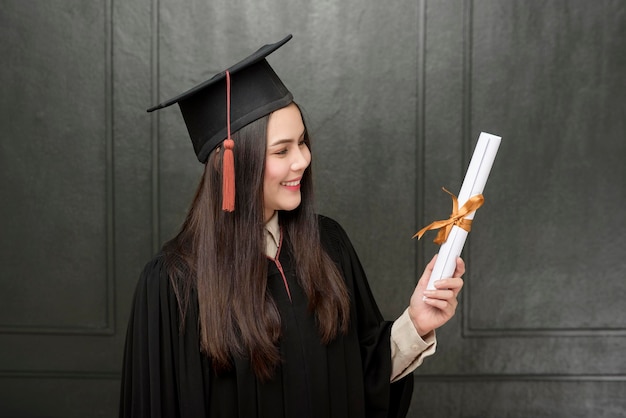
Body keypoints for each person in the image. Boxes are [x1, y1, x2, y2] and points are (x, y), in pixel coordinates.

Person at [119, 34, 464, 418]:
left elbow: (360, 381)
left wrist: (416, 322)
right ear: (231, 165)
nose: (302, 160)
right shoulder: (173, 284)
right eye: (282, 150)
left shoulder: (327, 245)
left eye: (302, 142)